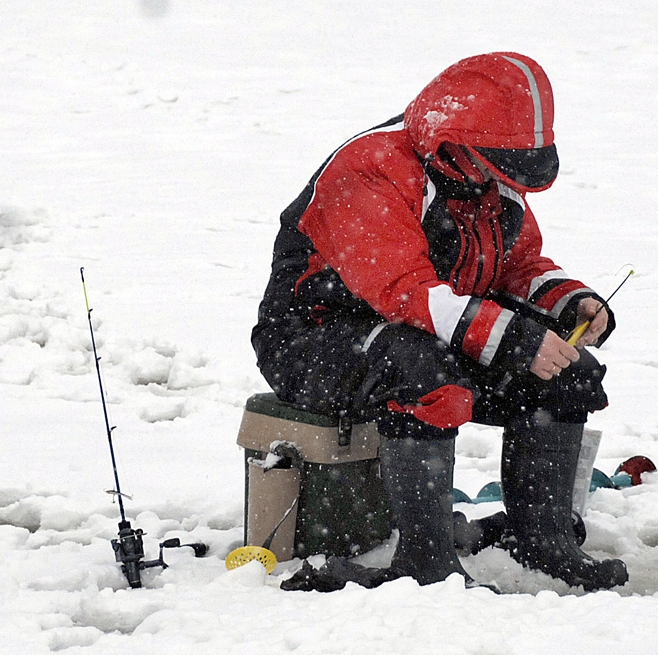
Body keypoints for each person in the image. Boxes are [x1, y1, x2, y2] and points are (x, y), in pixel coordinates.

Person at [252, 52, 628, 592]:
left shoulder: (486, 172)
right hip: (312, 340)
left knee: (565, 372)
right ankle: (425, 562)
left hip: (426, 328)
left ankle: (544, 541)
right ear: (455, 141)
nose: (502, 180)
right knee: (424, 372)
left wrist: (569, 302)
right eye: (496, 164)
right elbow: (406, 291)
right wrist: (516, 340)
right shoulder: (369, 168)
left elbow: (517, 264)